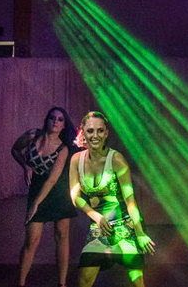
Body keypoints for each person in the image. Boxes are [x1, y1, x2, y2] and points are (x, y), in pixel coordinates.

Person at [69, 111, 155, 287]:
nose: (95, 136)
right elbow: (75, 197)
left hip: (125, 226)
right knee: (84, 280)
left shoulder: (116, 159)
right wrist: (97, 217)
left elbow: (130, 201)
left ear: (106, 133)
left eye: (100, 131)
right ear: (83, 132)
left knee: (137, 282)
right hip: (99, 227)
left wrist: (140, 233)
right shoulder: (76, 160)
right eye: (90, 131)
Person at [13, 106, 80, 287]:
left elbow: (52, 180)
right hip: (37, 190)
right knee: (32, 241)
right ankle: (20, 283)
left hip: (58, 193)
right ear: (47, 120)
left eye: (60, 119)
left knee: (61, 236)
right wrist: (25, 166)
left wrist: (35, 204)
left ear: (64, 125)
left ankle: (62, 283)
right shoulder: (32, 136)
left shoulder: (63, 148)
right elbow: (15, 150)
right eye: (52, 118)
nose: (55, 122)